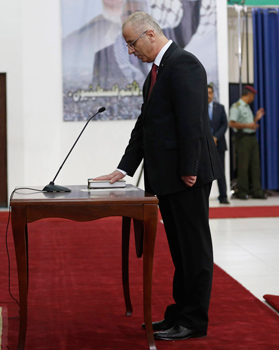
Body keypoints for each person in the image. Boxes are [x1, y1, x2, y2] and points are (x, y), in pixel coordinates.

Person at [95, 12, 221, 340]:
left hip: (186, 176)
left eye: (132, 43)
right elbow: (145, 127)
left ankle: (193, 321)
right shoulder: (157, 71)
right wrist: (124, 168)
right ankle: (179, 313)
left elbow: (192, 121)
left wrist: (189, 168)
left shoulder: (184, 64)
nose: (130, 51)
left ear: (150, 34)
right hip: (167, 176)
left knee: (194, 249)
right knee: (180, 250)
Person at [229, 86, 266, 200]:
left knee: (255, 165)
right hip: (242, 139)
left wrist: (255, 120)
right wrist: (248, 125)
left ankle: (256, 191)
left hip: (251, 138)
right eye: (253, 96)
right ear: (249, 95)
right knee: (243, 166)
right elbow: (231, 123)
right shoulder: (236, 107)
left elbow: (249, 124)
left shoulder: (247, 107)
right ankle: (242, 192)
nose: (253, 99)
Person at [208, 84, 230, 204]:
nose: (208, 95)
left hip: (219, 145)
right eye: (206, 93)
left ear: (213, 94)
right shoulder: (199, 108)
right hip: (204, 146)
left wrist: (215, 137)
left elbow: (224, 125)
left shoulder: (220, 108)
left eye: (210, 93)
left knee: (220, 171)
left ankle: (223, 196)